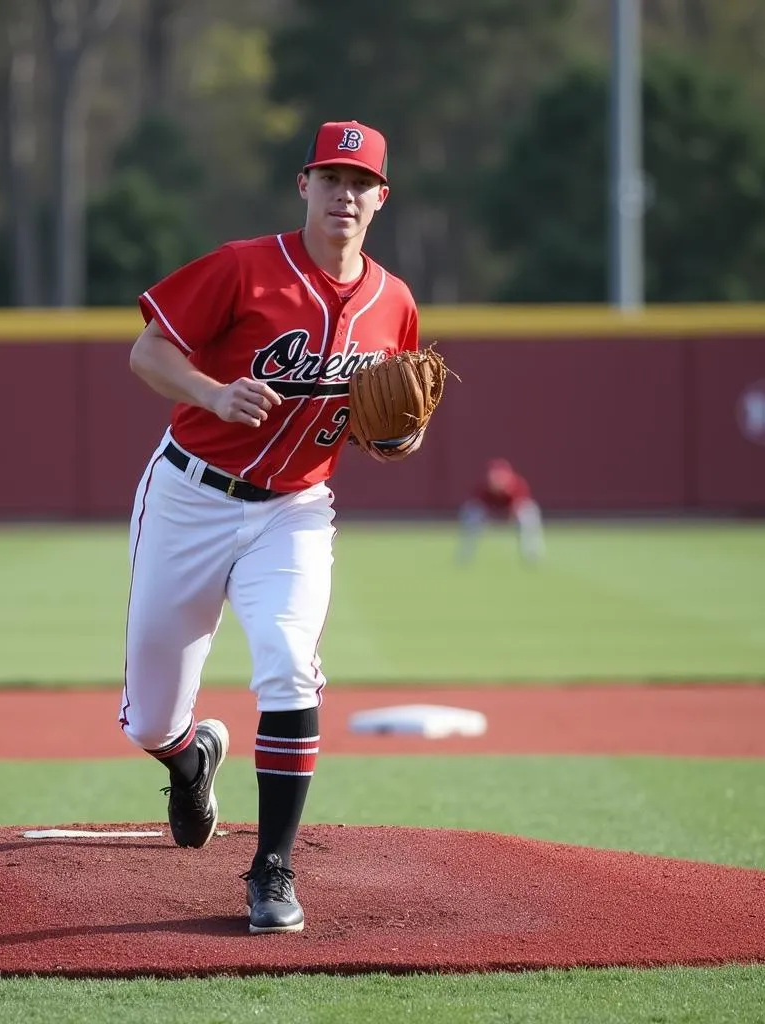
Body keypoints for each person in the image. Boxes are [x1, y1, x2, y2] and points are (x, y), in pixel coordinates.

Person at [119, 120, 422, 935]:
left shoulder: (394, 303)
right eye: (330, 179)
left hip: (295, 510)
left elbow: (390, 423)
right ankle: (190, 758)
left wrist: (397, 438)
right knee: (148, 718)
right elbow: (148, 354)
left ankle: (272, 867)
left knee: (289, 666)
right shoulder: (244, 267)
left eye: (360, 184)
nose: (344, 196)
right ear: (304, 187)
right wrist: (214, 392)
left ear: (380, 199)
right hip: (190, 496)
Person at [457, 458, 545, 564]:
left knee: (529, 512)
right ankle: (465, 555)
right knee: (472, 513)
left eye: (500, 476)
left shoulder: (517, 485)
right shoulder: (483, 488)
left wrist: (508, 520)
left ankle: (531, 553)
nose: (497, 479)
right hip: (490, 514)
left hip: (511, 514)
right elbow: (476, 505)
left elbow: (518, 506)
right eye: (494, 475)